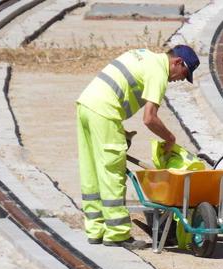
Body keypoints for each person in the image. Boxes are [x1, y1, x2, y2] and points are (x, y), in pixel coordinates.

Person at [75, 45, 200, 249]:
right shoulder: (160, 72)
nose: (177, 80)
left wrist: (119, 131)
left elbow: (119, 86)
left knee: (91, 169)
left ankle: (95, 229)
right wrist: (170, 138)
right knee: (112, 170)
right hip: (104, 111)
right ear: (177, 62)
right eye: (182, 74)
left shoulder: (142, 54)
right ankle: (117, 234)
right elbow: (149, 118)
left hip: (86, 105)